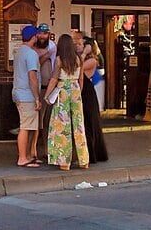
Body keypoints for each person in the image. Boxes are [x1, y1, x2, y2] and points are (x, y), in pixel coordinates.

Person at [44, 33, 89, 170]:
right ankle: (83, 160)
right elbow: (81, 79)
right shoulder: (78, 59)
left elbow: (54, 79)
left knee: (62, 126)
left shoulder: (59, 60)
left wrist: (47, 95)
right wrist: (78, 92)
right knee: (79, 125)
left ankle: (64, 162)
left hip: (62, 90)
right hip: (75, 89)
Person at [13, 25, 42, 168]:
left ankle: (29, 155)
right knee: (25, 127)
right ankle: (23, 158)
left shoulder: (19, 52)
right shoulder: (31, 54)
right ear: (34, 37)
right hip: (27, 95)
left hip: (18, 92)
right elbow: (32, 76)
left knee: (29, 126)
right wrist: (37, 97)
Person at [76, 34, 108, 163]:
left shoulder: (92, 60)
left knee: (88, 123)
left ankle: (91, 153)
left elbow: (78, 68)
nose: (77, 46)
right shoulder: (79, 57)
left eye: (80, 44)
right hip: (80, 91)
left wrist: (84, 53)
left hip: (87, 93)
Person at [34, 23, 56, 161]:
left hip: (52, 88)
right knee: (38, 121)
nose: (43, 36)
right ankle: (35, 150)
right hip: (40, 88)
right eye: (41, 33)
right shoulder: (33, 48)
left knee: (49, 120)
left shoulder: (53, 46)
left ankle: (48, 150)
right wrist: (46, 56)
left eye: (45, 33)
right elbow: (35, 65)